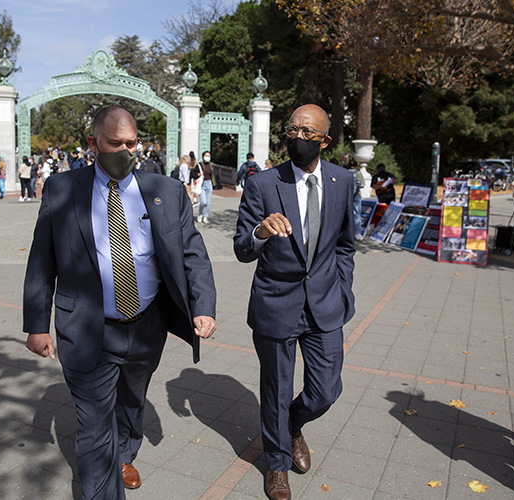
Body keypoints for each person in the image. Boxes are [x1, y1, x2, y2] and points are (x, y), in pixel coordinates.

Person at [23, 105, 217, 499]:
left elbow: (192, 253)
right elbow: (42, 259)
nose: (126, 151)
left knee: (131, 402)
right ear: (93, 143)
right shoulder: (62, 189)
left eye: (132, 143)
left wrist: (204, 305)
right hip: (87, 327)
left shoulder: (166, 191)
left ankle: (125, 453)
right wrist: (37, 324)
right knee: (94, 428)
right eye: (115, 143)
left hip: (146, 325)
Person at [233, 104, 355, 500]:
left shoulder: (342, 180)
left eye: (308, 133)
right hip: (276, 303)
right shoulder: (263, 184)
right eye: (292, 130)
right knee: (276, 389)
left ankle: (292, 425)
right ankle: (277, 464)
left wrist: (342, 288)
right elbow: (242, 248)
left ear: (325, 140)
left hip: (325, 303)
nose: (298, 138)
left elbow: (345, 245)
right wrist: (261, 231)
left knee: (325, 392)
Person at [341, 153, 364, 239]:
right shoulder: (358, 173)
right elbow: (362, 184)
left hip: (346, 194)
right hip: (356, 195)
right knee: (357, 214)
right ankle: (357, 232)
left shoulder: (344, 172)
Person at [197, 151, 214, 224]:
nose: (208, 157)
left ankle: (205, 216)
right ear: (203, 156)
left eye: (209, 156)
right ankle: (200, 213)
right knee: (203, 201)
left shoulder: (211, 165)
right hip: (202, 184)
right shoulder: (199, 165)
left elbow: (215, 174)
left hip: (209, 183)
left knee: (208, 203)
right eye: (206, 155)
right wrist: (198, 174)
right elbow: (193, 173)